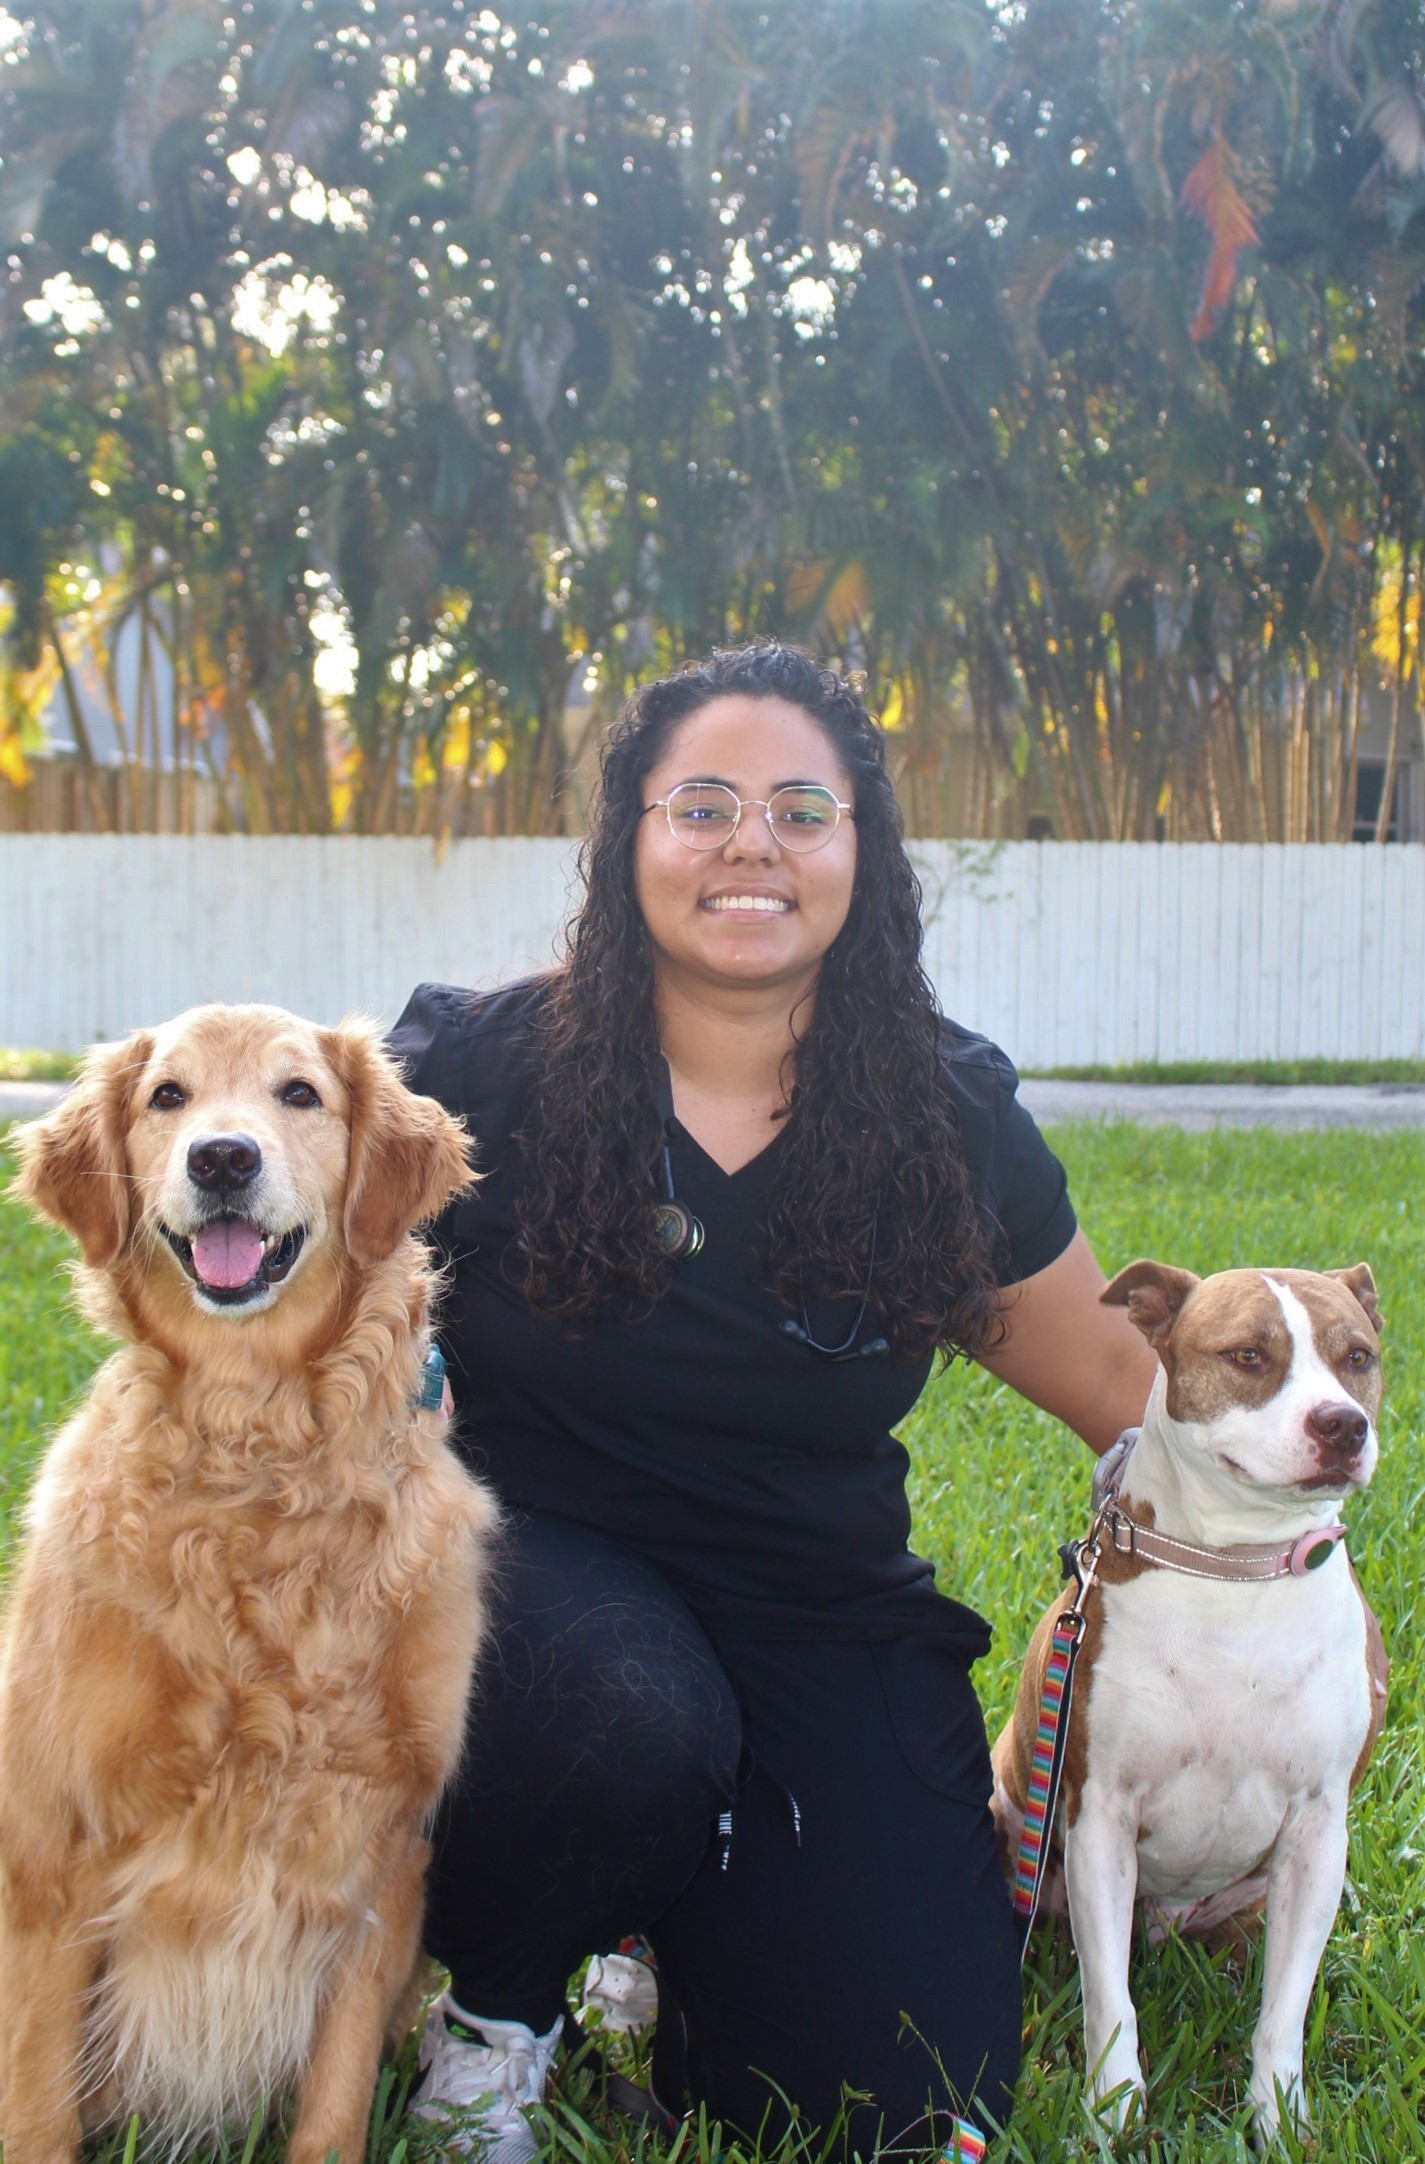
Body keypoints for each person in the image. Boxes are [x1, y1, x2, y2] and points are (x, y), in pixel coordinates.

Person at [387, 642, 1157, 2161]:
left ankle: (670, 1944)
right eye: (704, 806)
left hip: (816, 1605)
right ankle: (499, 2007)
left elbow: (1125, 1391)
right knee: (624, 1714)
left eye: (803, 810)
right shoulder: (481, 1070)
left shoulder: (941, 1117)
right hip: (530, 1600)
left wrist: (1272, 1568)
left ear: (862, 853)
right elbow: (293, 1313)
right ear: (629, 844)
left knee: (888, 2102)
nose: (753, 843)